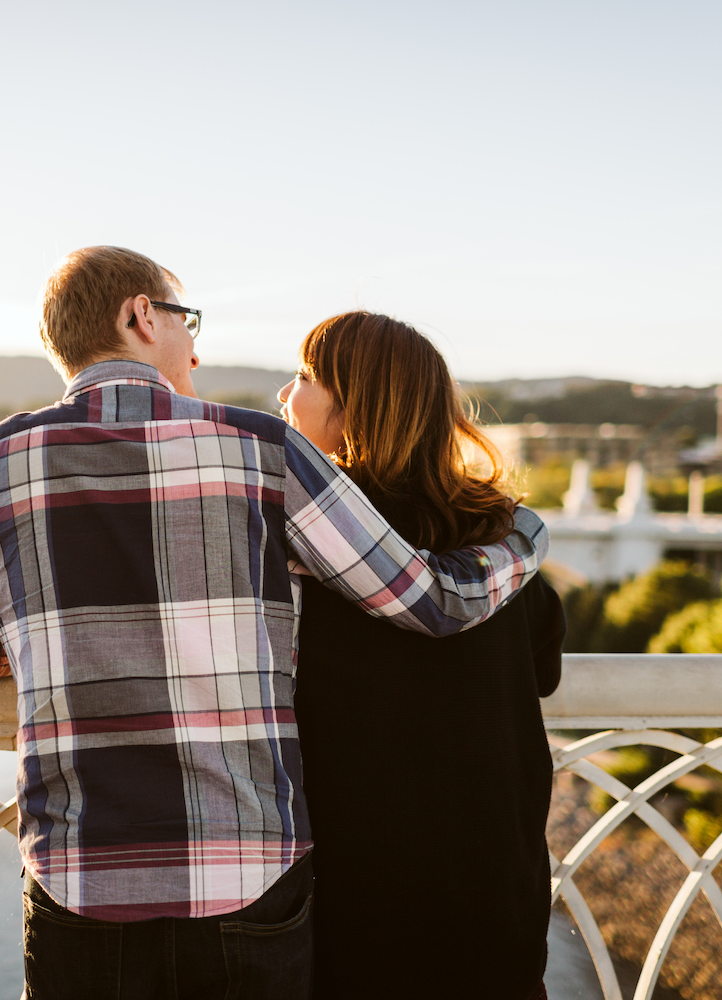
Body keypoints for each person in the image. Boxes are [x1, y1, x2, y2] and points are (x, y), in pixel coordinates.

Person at [0, 247, 550, 1000]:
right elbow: (431, 601)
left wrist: (51, 644)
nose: (196, 343)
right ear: (141, 317)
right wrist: (524, 541)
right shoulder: (261, 448)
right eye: (187, 320)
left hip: (82, 879)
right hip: (245, 879)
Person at [280, 311, 565, 1000]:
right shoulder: (502, 540)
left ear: (354, 407)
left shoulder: (297, 546)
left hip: (355, 902)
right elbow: (545, 669)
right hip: (496, 887)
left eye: (306, 377)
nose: (287, 393)